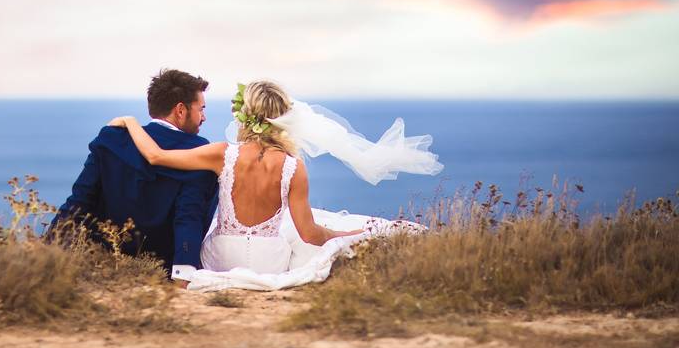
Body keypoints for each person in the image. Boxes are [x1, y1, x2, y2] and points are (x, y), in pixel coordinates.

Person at [108, 80, 444, 291]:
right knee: (303, 230)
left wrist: (131, 122)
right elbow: (311, 234)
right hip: (269, 260)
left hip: (220, 257)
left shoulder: (222, 154)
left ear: (246, 115)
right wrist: (350, 237)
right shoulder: (292, 167)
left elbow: (154, 156)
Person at [48, 69, 218, 277]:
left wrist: (46, 250)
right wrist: (184, 274)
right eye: (201, 109)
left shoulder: (111, 139)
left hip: (102, 264)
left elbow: (78, 203)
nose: (204, 117)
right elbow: (188, 217)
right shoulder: (198, 151)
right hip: (160, 270)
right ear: (180, 110)